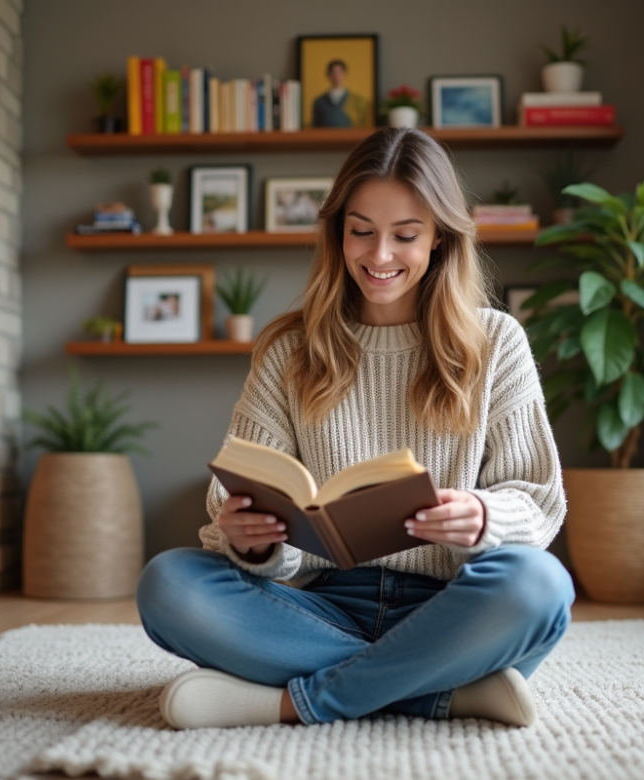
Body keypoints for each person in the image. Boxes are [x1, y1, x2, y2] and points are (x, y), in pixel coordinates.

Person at [136, 127, 573, 730]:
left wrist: (482, 516)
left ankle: (294, 702)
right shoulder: (288, 349)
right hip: (317, 605)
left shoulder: (496, 342)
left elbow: (538, 498)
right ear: (338, 233)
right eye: (361, 231)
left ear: (441, 238)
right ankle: (441, 691)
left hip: (453, 604)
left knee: (540, 588)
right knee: (168, 585)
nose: (380, 255)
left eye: (405, 235)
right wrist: (250, 537)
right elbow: (235, 496)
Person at [311, 59, 370, 128]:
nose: (336, 76)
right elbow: (316, 128)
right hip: (326, 137)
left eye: (340, 72)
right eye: (333, 72)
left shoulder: (357, 101)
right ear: (328, 75)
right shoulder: (319, 102)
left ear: (345, 74)